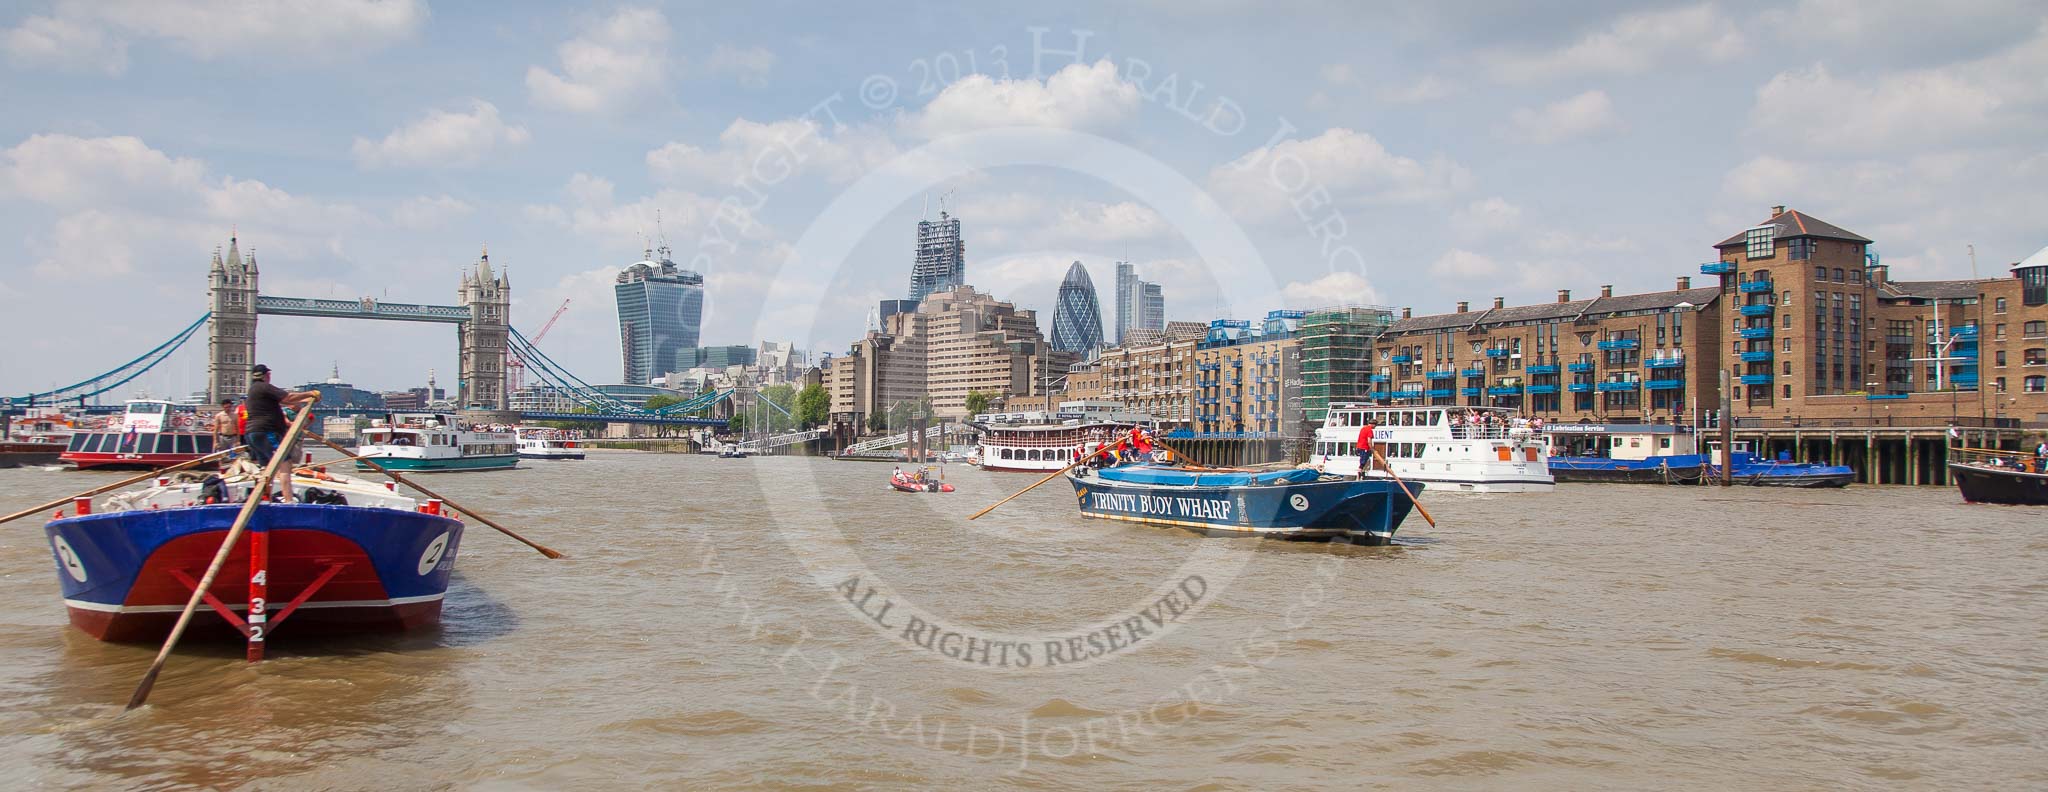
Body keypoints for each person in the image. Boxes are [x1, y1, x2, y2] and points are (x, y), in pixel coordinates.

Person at [242, 364, 320, 503]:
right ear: (266, 375)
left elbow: (285, 401)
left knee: (268, 469)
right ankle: (288, 500)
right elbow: (288, 398)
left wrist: (304, 398)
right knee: (285, 463)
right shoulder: (264, 387)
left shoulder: (253, 391)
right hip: (266, 432)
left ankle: (265, 499)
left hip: (252, 434)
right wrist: (310, 393)